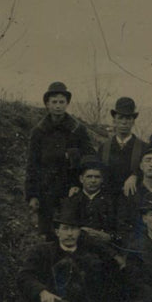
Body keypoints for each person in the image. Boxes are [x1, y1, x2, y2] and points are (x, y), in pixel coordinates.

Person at [17, 200, 121, 302]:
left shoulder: (88, 254)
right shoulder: (43, 251)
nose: (70, 234)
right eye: (65, 229)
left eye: (74, 229)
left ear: (79, 232)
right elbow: (24, 276)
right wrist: (42, 291)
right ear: (57, 232)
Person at [25, 81, 95, 239]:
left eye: (61, 102)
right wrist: (32, 195)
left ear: (67, 103)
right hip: (46, 189)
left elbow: (89, 157)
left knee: (69, 231)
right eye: (54, 102)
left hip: (69, 189)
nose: (58, 106)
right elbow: (32, 165)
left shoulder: (77, 129)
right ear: (47, 104)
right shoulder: (39, 131)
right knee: (47, 232)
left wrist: (78, 183)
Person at [116, 147, 152, 246]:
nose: (151, 164)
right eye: (147, 160)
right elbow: (122, 224)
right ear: (141, 166)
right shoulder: (131, 192)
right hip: (137, 245)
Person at [98, 97, 147, 198]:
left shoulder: (143, 147)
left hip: (134, 199)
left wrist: (136, 175)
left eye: (128, 118)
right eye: (120, 118)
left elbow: (150, 171)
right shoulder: (104, 148)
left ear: (133, 121)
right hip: (109, 201)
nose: (124, 122)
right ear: (114, 120)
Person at [67, 156, 116, 244]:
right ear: (81, 179)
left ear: (102, 180)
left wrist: (109, 236)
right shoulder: (72, 200)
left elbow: (121, 228)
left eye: (97, 177)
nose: (93, 181)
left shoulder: (112, 201)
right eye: (89, 177)